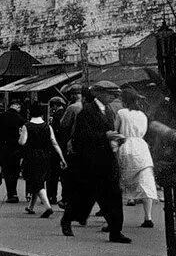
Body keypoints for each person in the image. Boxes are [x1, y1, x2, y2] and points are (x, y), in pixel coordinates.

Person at [61, 83, 131, 243]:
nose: (114, 97)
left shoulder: (109, 111)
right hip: (91, 163)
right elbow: (80, 137)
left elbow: (108, 132)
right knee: (83, 196)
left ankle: (115, 232)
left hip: (107, 160)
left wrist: (117, 138)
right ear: (99, 94)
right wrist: (105, 136)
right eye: (111, 94)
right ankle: (67, 219)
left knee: (114, 196)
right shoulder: (86, 111)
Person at [115, 89, 157, 227]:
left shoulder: (121, 113)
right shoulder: (143, 115)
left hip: (127, 145)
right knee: (146, 181)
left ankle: (117, 218)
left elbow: (116, 131)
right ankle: (148, 217)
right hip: (142, 147)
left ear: (124, 100)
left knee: (122, 179)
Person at [19, 103, 66, 217]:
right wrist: (62, 158)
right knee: (39, 179)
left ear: (30, 113)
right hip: (45, 156)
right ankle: (30, 206)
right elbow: (54, 143)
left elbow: (22, 142)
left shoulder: (27, 126)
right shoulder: (47, 126)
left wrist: (21, 134)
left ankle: (48, 207)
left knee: (36, 182)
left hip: (31, 156)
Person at [0, 100, 25, 203]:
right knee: (15, 170)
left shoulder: (1, 116)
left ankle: (10, 193)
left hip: (4, 147)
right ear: (17, 107)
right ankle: (15, 192)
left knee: (7, 171)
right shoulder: (20, 119)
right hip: (16, 148)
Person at [46, 97, 68, 205]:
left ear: (55, 105)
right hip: (64, 146)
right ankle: (64, 197)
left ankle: (52, 196)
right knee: (63, 174)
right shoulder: (65, 112)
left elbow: (54, 132)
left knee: (53, 174)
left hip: (57, 147)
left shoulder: (57, 115)